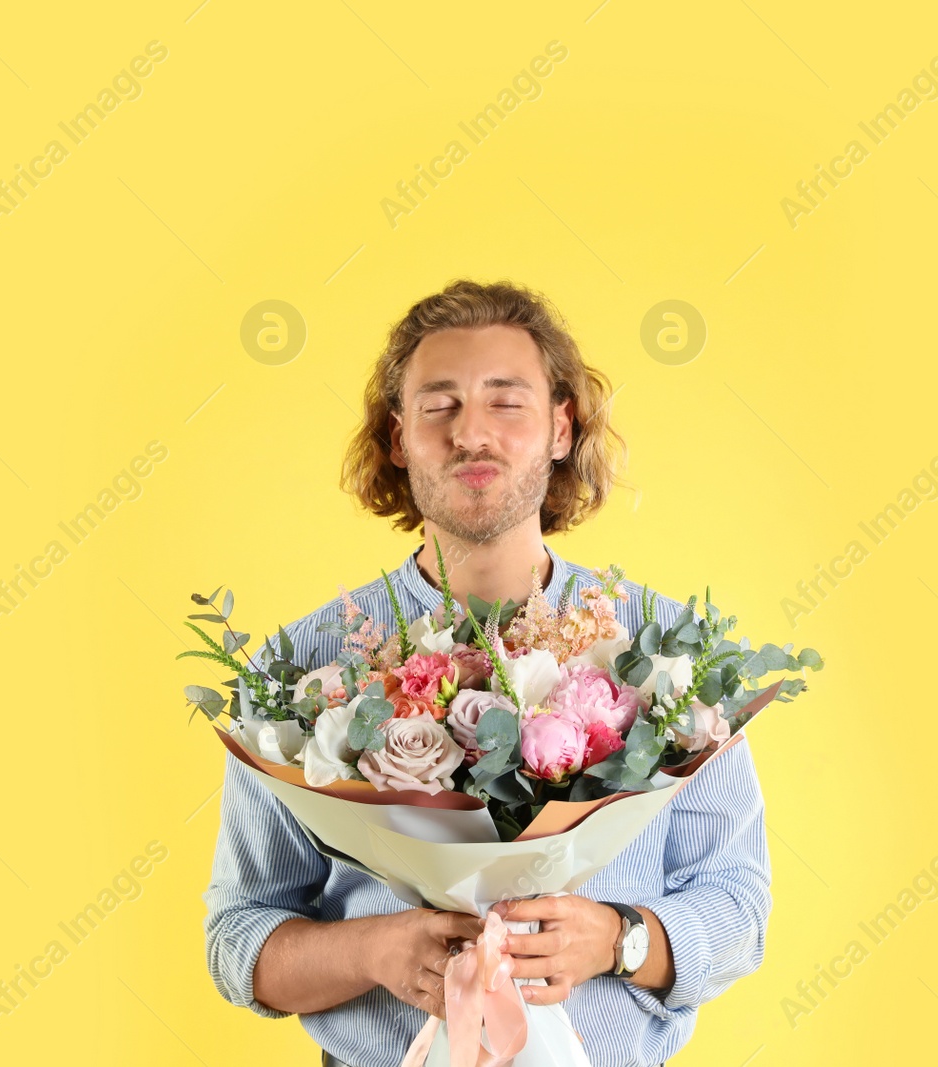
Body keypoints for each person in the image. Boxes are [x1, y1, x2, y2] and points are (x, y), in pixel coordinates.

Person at [204, 279, 771, 1067]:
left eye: (506, 401)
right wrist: (373, 952)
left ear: (560, 428)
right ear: (399, 438)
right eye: (440, 405)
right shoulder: (298, 672)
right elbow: (239, 935)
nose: (472, 432)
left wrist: (619, 937)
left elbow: (739, 906)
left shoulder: (673, 658)